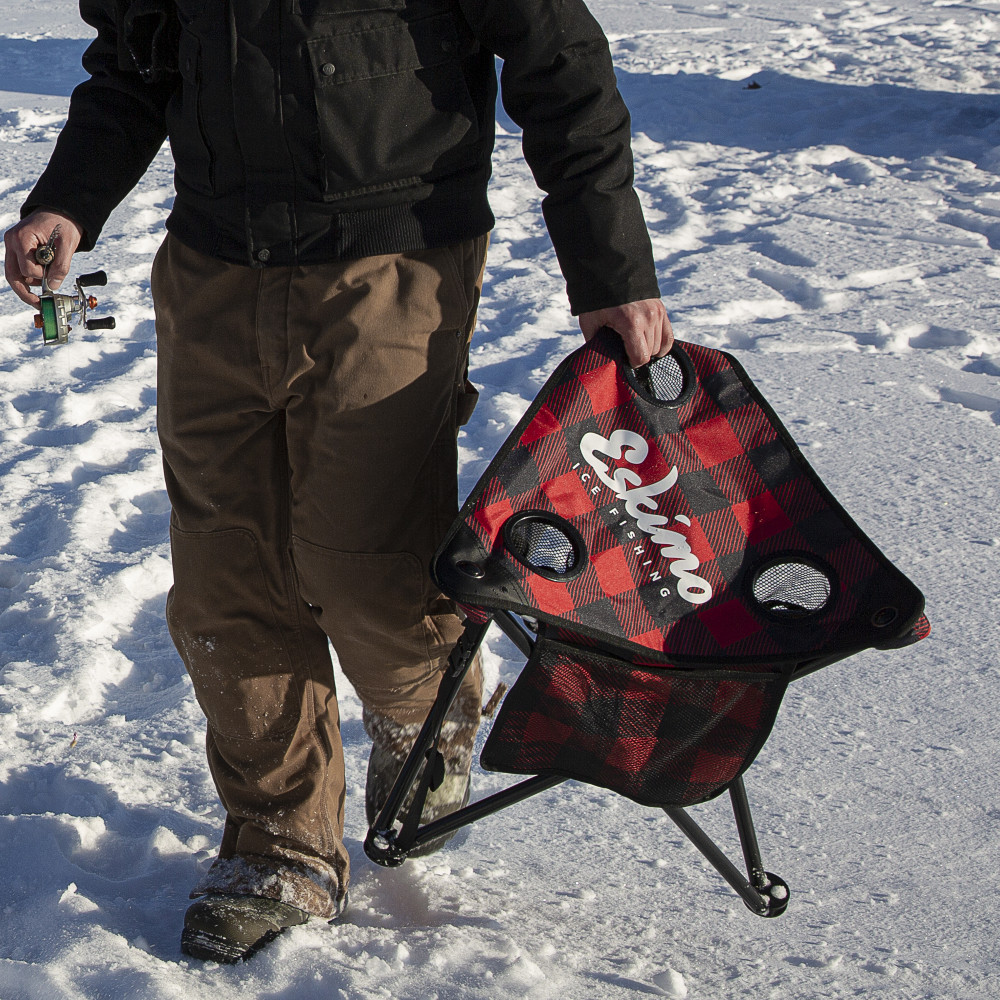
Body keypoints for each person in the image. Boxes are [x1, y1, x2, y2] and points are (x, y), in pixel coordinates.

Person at [3, 0, 672, 963]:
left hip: (393, 264)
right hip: (213, 267)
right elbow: (134, 65)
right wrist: (69, 198)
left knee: (362, 563)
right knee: (224, 577)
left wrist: (611, 269)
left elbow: (559, 61)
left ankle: (423, 708)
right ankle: (280, 845)